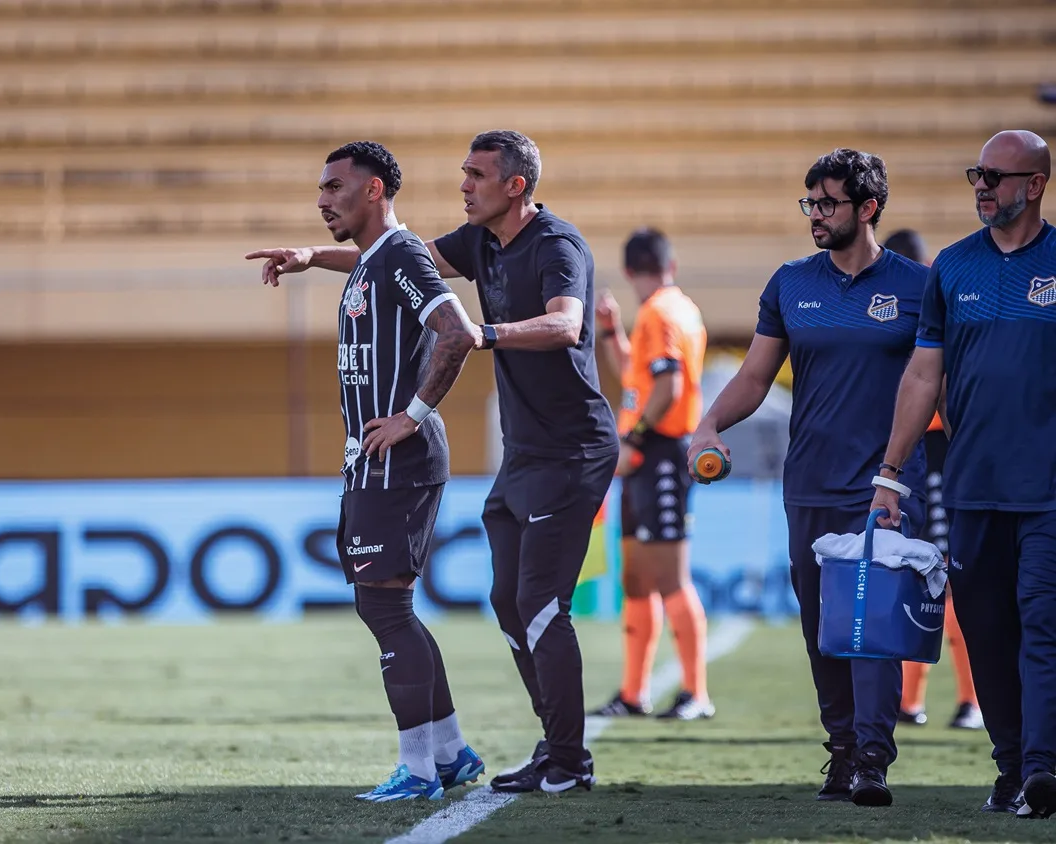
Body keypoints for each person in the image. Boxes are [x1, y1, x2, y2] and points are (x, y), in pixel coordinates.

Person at [246, 129, 619, 795]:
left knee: (535, 603)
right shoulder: (478, 241)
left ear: (516, 186)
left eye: (477, 175)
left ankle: (566, 761)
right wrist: (311, 257)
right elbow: (399, 257)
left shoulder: (558, 245)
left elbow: (566, 325)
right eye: (462, 173)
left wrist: (484, 336)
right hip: (526, 451)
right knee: (507, 601)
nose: (463, 185)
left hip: (575, 447)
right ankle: (517, 752)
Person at [247, 141, 486, 802]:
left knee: (384, 606)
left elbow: (456, 330)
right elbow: (367, 264)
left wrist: (411, 413)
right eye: (319, 192)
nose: (323, 200)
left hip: (398, 457)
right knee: (386, 607)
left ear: (375, 189)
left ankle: (419, 770)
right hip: (371, 459)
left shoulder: (403, 253)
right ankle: (451, 752)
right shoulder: (378, 259)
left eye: (334, 188)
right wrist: (307, 257)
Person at [687, 149, 928, 808]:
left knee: (872, 623)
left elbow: (938, 383)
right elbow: (755, 377)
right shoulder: (790, 283)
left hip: (886, 485)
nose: (815, 216)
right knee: (822, 625)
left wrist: (901, 472)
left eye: (828, 204)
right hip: (810, 482)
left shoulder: (918, 287)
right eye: (810, 204)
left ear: (868, 207)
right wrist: (709, 425)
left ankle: (874, 757)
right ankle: (843, 748)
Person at [871, 129, 1056, 818]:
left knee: (1042, 623)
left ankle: (1041, 767)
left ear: (1033, 186)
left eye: (995, 176)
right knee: (986, 632)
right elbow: (924, 374)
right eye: (975, 174)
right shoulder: (951, 268)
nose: (980, 186)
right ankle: (1011, 767)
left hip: (1048, 493)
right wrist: (891, 473)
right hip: (973, 487)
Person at [589, 227, 713, 721]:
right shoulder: (672, 309)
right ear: (671, 265)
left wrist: (632, 438)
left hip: (659, 454)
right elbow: (640, 380)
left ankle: (696, 693)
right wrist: (611, 332)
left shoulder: (660, 313)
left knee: (670, 579)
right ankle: (633, 692)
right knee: (638, 580)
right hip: (647, 458)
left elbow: (669, 385)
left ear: (628, 270)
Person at [881, 229, 983, 732]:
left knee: (950, 577)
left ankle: (972, 699)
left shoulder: (936, 307)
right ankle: (908, 701)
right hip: (909, 454)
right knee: (910, 574)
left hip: (939, 452)